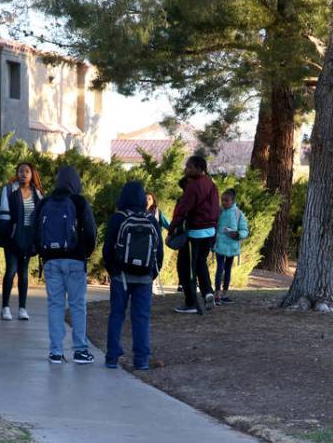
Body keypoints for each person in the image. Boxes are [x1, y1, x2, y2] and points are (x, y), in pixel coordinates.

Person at [35, 166, 97, 364]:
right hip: (75, 260)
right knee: (77, 305)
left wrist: (44, 253)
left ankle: (55, 351)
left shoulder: (46, 201)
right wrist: (85, 253)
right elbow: (90, 231)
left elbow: (35, 229)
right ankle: (80, 350)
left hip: (51, 261)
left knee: (55, 305)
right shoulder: (79, 201)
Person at [103, 181, 163, 370]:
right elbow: (159, 251)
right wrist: (152, 273)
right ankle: (141, 360)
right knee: (141, 318)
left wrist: (112, 271)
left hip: (121, 275)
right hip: (144, 277)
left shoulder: (118, 218)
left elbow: (107, 249)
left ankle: (112, 357)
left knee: (117, 315)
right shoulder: (151, 219)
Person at [169, 156, 221, 314]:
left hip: (194, 232)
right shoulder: (211, 185)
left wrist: (172, 230)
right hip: (210, 232)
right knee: (200, 263)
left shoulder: (194, 187)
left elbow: (182, 210)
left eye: (189, 167)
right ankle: (208, 292)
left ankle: (191, 302)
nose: (186, 169)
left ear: (199, 168)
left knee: (185, 267)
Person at [0, 162, 43, 321]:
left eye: (27, 171)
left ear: (32, 174)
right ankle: (5, 308)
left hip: (29, 237)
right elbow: (3, 213)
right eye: (20, 171)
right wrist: (10, 233)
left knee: (23, 272)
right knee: (11, 270)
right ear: (17, 173)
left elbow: (41, 216)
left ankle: (22, 308)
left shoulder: (37, 193)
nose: (23, 173)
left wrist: (38, 238)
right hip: (13, 237)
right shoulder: (9, 190)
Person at [213, 188, 248, 305]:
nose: (223, 202)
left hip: (232, 246)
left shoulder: (238, 213)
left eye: (226, 200)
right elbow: (213, 225)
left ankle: (225, 294)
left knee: (227, 270)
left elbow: (244, 230)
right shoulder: (218, 211)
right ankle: (217, 294)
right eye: (222, 200)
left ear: (233, 201)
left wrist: (238, 234)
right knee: (219, 269)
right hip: (219, 245)